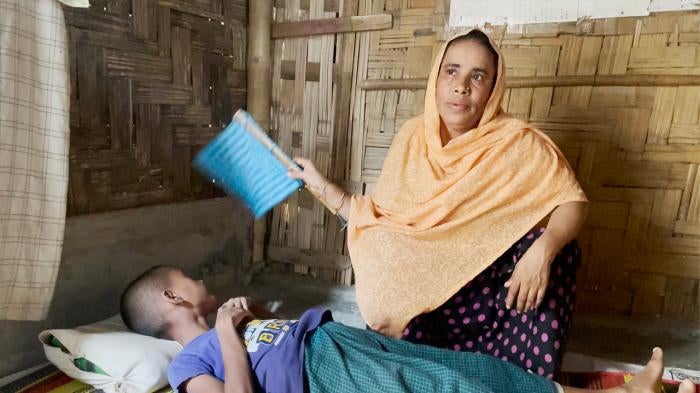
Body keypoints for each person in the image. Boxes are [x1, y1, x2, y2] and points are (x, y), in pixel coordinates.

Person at [289, 28, 589, 377]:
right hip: (428, 307)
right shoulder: (413, 138)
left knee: (562, 253)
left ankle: (520, 381)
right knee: (403, 357)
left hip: (487, 298)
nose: (461, 85)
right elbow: (381, 220)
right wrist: (320, 185)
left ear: (493, 89)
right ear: (436, 78)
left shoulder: (515, 143)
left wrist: (545, 248)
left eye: (477, 76)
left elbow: (572, 200)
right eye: (452, 71)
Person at [119, 266, 694, 393]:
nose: (202, 281)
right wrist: (224, 329)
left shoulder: (234, 323)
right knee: (455, 391)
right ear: (173, 296)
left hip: (335, 341)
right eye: (189, 277)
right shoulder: (185, 364)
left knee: (471, 369)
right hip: (324, 374)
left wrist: (252, 321)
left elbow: (272, 342)